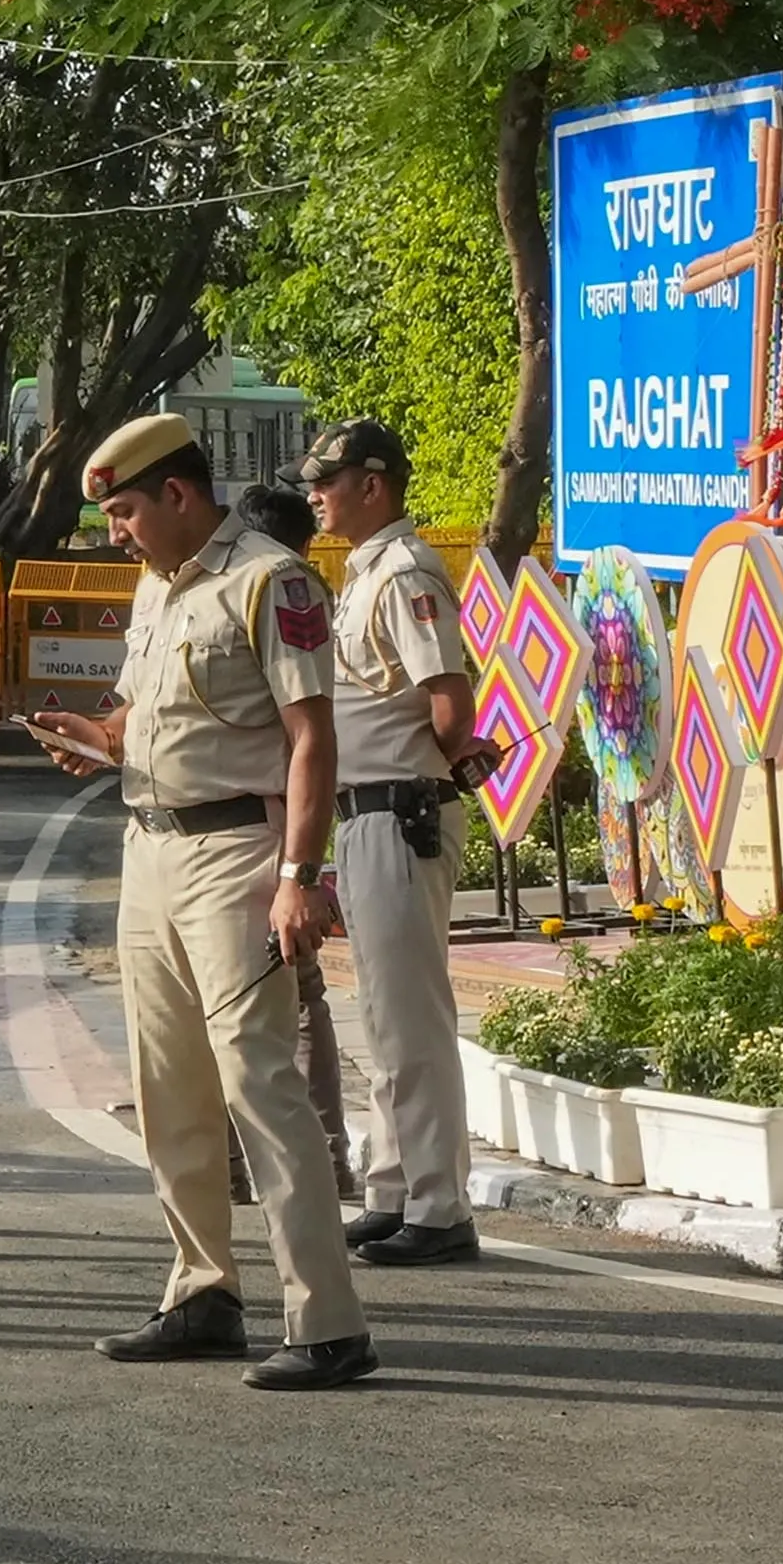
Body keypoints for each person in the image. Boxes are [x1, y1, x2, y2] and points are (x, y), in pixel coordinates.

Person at [20, 413, 376, 1390]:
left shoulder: (271, 578)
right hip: (150, 845)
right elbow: (139, 712)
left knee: (259, 1078)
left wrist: (301, 874)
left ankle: (328, 1317)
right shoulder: (157, 587)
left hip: (237, 853)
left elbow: (313, 736)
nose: (117, 532)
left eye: (126, 510)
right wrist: (93, 734)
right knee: (167, 1078)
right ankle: (201, 1289)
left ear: (179, 493)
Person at [301, 421, 489, 1267]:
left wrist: (456, 752)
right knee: (380, 1016)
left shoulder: (407, 571)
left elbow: (448, 702)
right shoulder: (368, 571)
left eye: (329, 479)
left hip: (401, 807)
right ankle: (394, 1187)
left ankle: (439, 1205)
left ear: (374, 484)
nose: (317, 493)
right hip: (367, 810)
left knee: (410, 1019)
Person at [231, 479, 360, 1209]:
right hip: (269, 822)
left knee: (293, 996)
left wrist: (299, 871)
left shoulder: (277, 596)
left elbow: (308, 734)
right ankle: (292, 1157)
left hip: (273, 825)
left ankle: (318, 1158)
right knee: (272, 1001)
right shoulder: (299, 592)